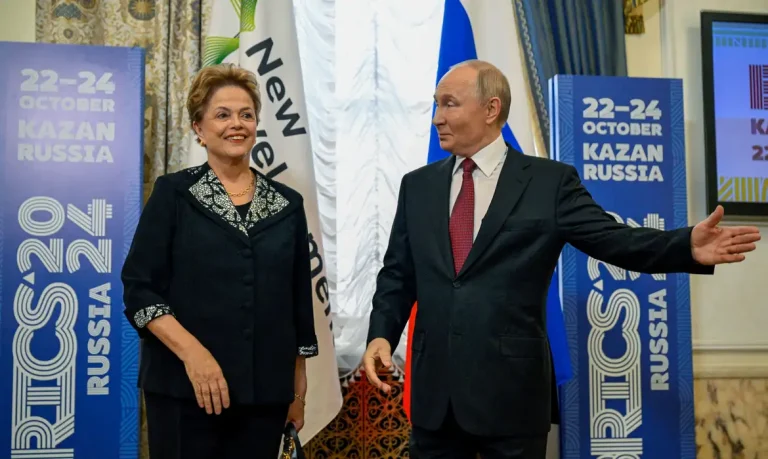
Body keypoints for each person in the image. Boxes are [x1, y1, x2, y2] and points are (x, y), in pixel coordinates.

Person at [363, 60, 761, 459]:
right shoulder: (417, 186)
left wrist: (685, 245)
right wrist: (381, 333)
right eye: (436, 105)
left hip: (511, 401)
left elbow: (614, 239)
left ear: (490, 109)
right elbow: (398, 273)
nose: (437, 118)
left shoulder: (549, 183)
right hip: (436, 404)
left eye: (449, 104)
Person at [121, 63, 318, 459]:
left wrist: (296, 392)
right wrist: (194, 355)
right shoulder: (173, 194)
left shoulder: (288, 204)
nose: (237, 124)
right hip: (183, 389)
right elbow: (139, 289)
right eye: (223, 114)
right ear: (199, 128)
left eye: (246, 114)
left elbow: (297, 306)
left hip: (265, 396)